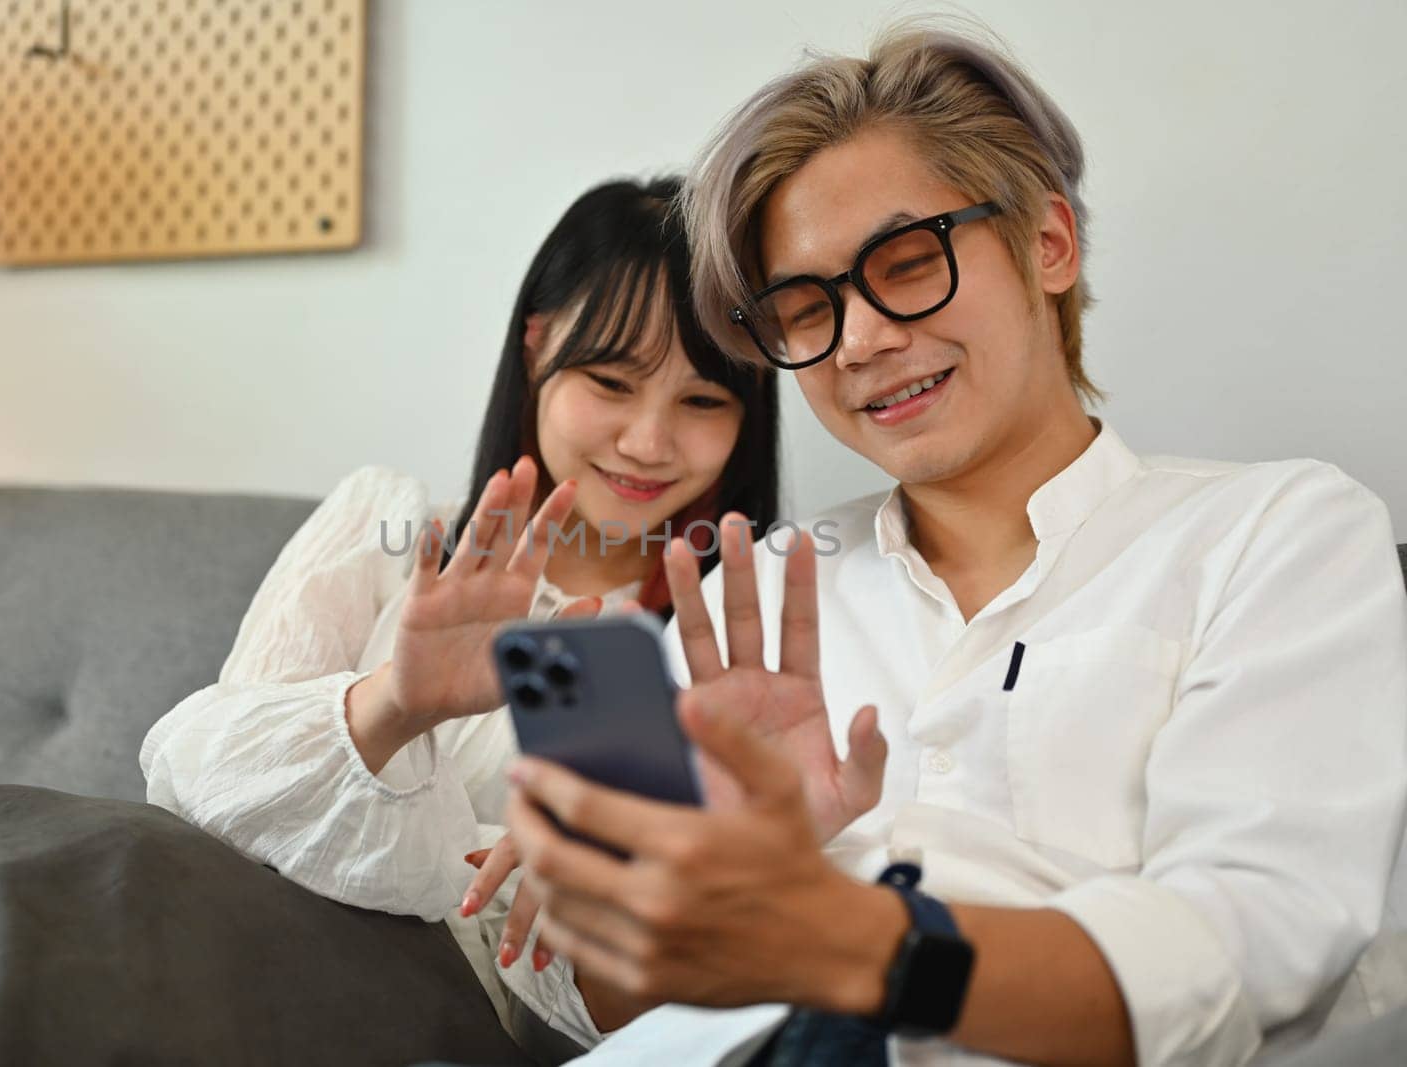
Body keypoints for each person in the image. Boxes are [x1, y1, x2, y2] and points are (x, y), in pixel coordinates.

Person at [498, 18, 1407, 1067]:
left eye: (904, 259)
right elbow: (619, 1002)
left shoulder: (1272, 534)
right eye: (805, 305)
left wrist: (840, 934)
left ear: (1047, 243)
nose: (863, 338)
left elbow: (1251, 944)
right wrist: (695, 880)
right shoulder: (755, 600)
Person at [139, 176, 781, 1057]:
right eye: (609, 381)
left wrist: (611, 874)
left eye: (704, 401)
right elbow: (203, 793)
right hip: (230, 970)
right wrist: (396, 703)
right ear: (536, 345)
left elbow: (592, 1010)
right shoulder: (387, 528)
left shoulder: (731, 643)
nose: (648, 441)